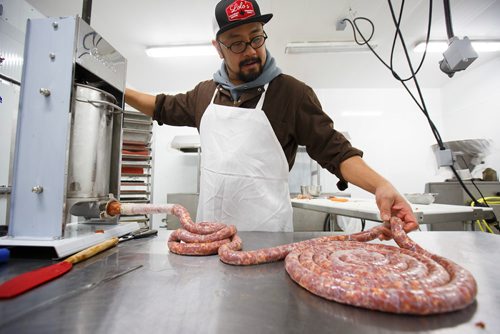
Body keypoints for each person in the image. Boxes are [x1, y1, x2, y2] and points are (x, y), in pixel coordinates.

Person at [125, 0, 418, 236]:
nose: (251, 50)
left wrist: (380, 185)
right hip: (209, 236)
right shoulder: (205, 94)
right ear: (218, 48)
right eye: (237, 43)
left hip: (268, 237)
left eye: (256, 37)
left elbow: (336, 150)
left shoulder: (291, 93)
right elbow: (160, 106)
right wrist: (117, 87)